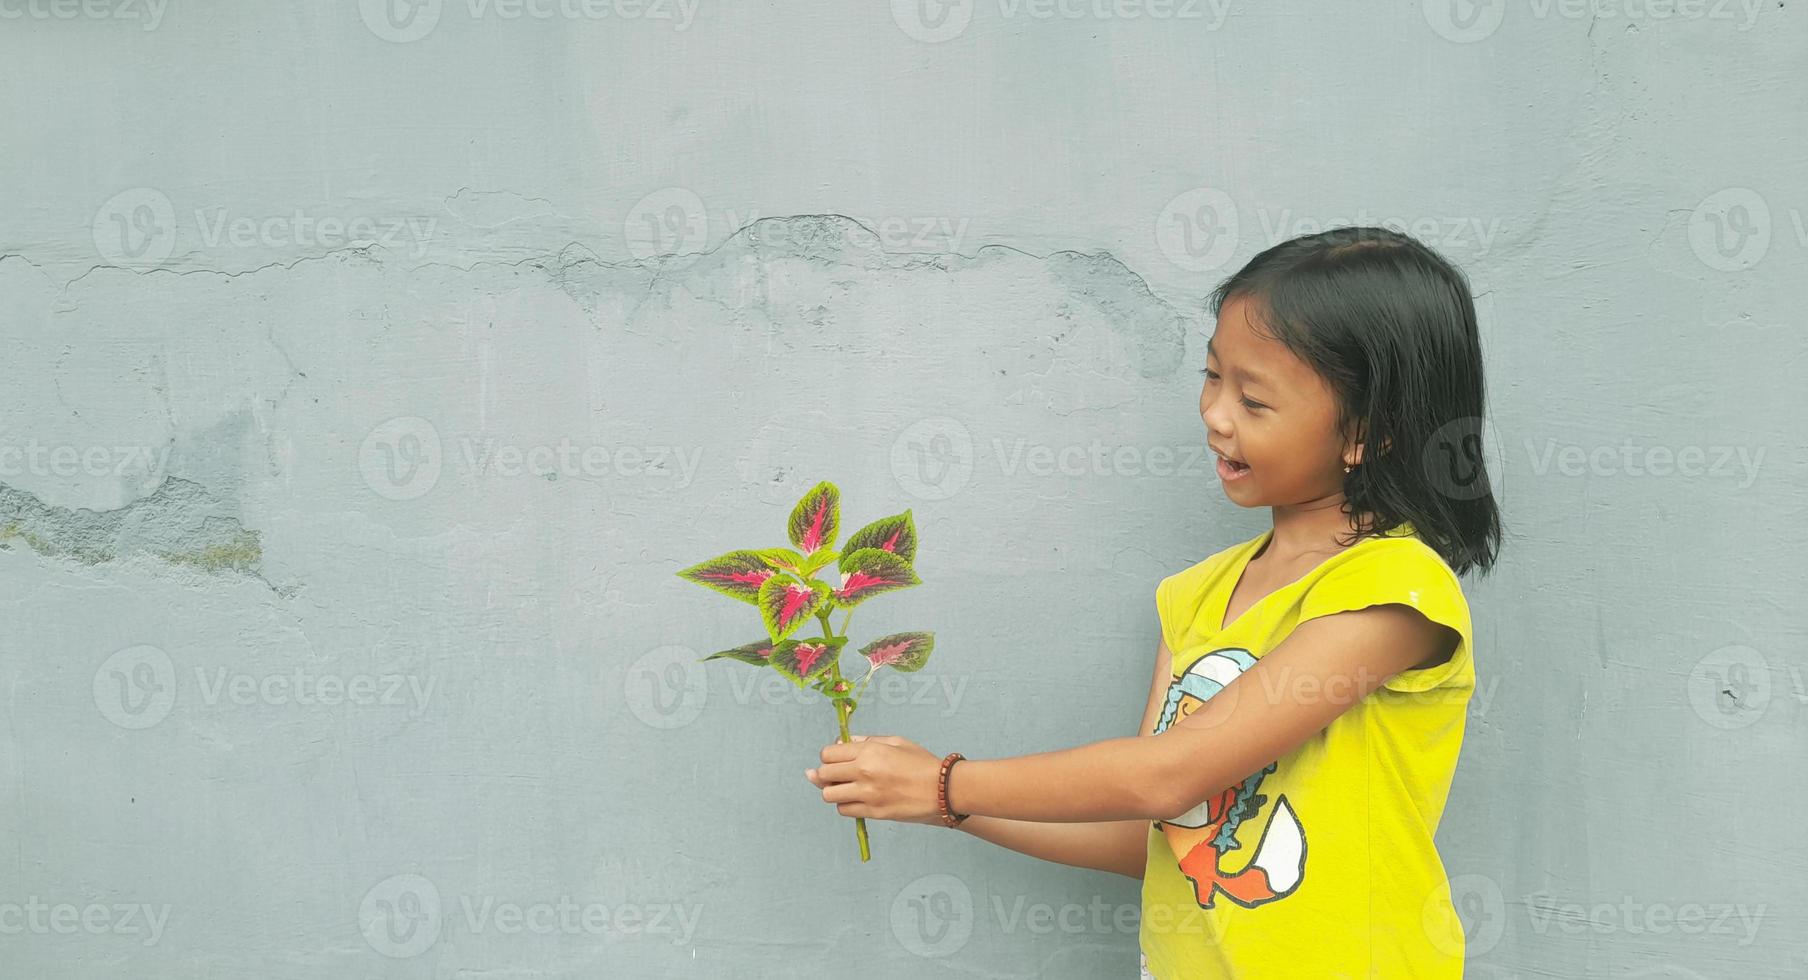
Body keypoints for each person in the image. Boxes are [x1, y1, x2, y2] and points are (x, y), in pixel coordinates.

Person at [805, 225, 1503, 978]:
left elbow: (1166, 773)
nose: (1216, 414)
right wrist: (942, 802)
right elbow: (1151, 824)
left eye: (1255, 400)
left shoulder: (1394, 591)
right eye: (1212, 377)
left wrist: (945, 779)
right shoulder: (1194, 597)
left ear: (1366, 434)